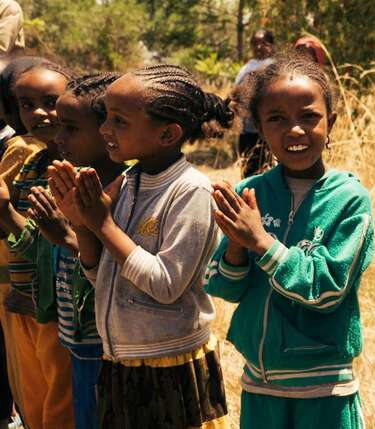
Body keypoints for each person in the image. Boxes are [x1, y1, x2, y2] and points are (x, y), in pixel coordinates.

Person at [51, 64, 231, 429]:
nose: (105, 129)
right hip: (121, 359)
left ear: (167, 133)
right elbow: (100, 274)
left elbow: (165, 284)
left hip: (171, 364)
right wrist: (81, 223)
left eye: (119, 121)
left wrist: (103, 224)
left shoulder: (190, 191)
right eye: (106, 118)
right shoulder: (129, 181)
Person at [205, 54, 374, 429]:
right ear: (260, 127)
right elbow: (224, 288)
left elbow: (328, 290)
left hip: (324, 392)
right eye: (276, 119)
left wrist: (261, 242)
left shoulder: (349, 199)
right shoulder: (251, 193)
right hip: (260, 388)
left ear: (331, 122)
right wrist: (237, 244)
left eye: (309, 116)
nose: (295, 130)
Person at [31, 72, 126, 429]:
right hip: (77, 338)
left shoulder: (125, 193)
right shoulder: (70, 181)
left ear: (108, 131)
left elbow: (117, 272)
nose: (59, 138)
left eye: (71, 128)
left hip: (110, 344)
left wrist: (68, 237)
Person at [0, 59, 75, 429]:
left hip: (63, 309)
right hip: (27, 299)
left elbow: (58, 245)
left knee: (60, 404)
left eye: (50, 102)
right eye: (27, 105)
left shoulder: (80, 166)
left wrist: (5, 212)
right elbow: (24, 238)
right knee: (33, 399)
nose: (39, 113)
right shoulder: (34, 163)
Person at [234, 30, 275, 178]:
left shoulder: (275, 66)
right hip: (247, 128)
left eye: (263, 43)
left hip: (267, 128)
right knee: (247, 169)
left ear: (271, 45)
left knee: (267, 169)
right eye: (255, 44)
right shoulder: (247, 67)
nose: (258, 47)